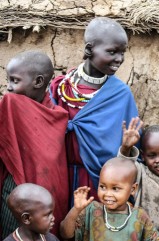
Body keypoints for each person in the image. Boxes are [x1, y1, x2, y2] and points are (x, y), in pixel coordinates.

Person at [50, 17, 139, 196]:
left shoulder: (120, 94)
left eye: (123, 52)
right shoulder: (60, 87)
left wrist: (126, 147)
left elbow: (132, 146)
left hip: (100, 182)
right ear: (89, 49)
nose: (119, 59)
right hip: (59, 176)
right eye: (112, 52)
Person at [0, 51, 69, 240]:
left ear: (38, 82)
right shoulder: (10, 106)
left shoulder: (56, 116)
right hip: (15, 194)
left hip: (46, 199)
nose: (9, 89)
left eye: (15, 81)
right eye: (8, 81)